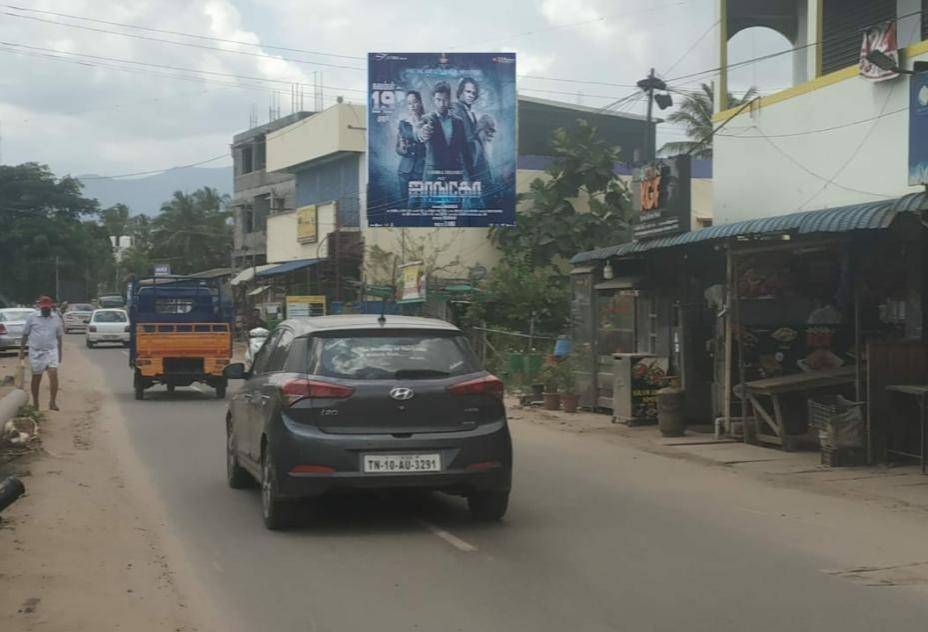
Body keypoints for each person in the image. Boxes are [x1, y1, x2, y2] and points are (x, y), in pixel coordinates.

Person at [417, 81, 473, 182]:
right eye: (438, 100)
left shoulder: (458, 121)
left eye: (445, 99)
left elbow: (465, 150)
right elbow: (418, 131)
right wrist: (421, 133)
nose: (442, 104)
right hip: (433, 176)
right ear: (434, 100)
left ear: (450, 99)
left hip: (454, 174)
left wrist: (471, 175)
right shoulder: (426, 119)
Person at [19, 295, 64, 411]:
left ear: (51, 307)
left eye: (47, 308)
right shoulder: (32, 318)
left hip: (51, 351)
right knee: (36, 377)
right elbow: (25, 335)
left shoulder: (56, 318)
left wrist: (60, 353)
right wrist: (22, 351)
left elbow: (59, 337)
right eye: (44, 308)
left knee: (53, 374)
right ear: (40, 307)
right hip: (36, 352)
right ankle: (35, 404)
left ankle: (52, 402)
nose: (46, 310)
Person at [395, 90, 426, 208]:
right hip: (404, 171)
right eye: (409, 103)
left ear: (420, 103)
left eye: (414, 102)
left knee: (415, 205)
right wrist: (402, 149)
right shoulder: (403, 124)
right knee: (404, 205)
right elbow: (397, 148)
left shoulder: (428, 121)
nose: (412, 106)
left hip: (420, 170)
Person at [451, 77, 481, 169]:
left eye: (473, 93)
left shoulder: (471, 114)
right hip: (460, 161)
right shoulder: (455, 108)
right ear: (460, 92)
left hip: (471, 159)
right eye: (468, 91)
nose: (471, 95)